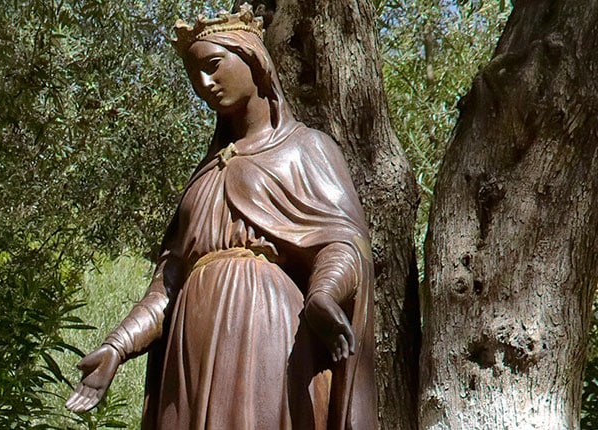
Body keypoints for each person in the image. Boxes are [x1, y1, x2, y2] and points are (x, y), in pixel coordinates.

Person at [64, 5, 376, 429]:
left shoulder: (306, 149)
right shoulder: (204, 175)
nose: (204, 84)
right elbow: (169, 281)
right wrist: (117, 346)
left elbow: (343, 244)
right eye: (195, 77)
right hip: (190, 342)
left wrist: (323, 293)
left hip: (268, 335)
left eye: (213, 66)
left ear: (253, 58)